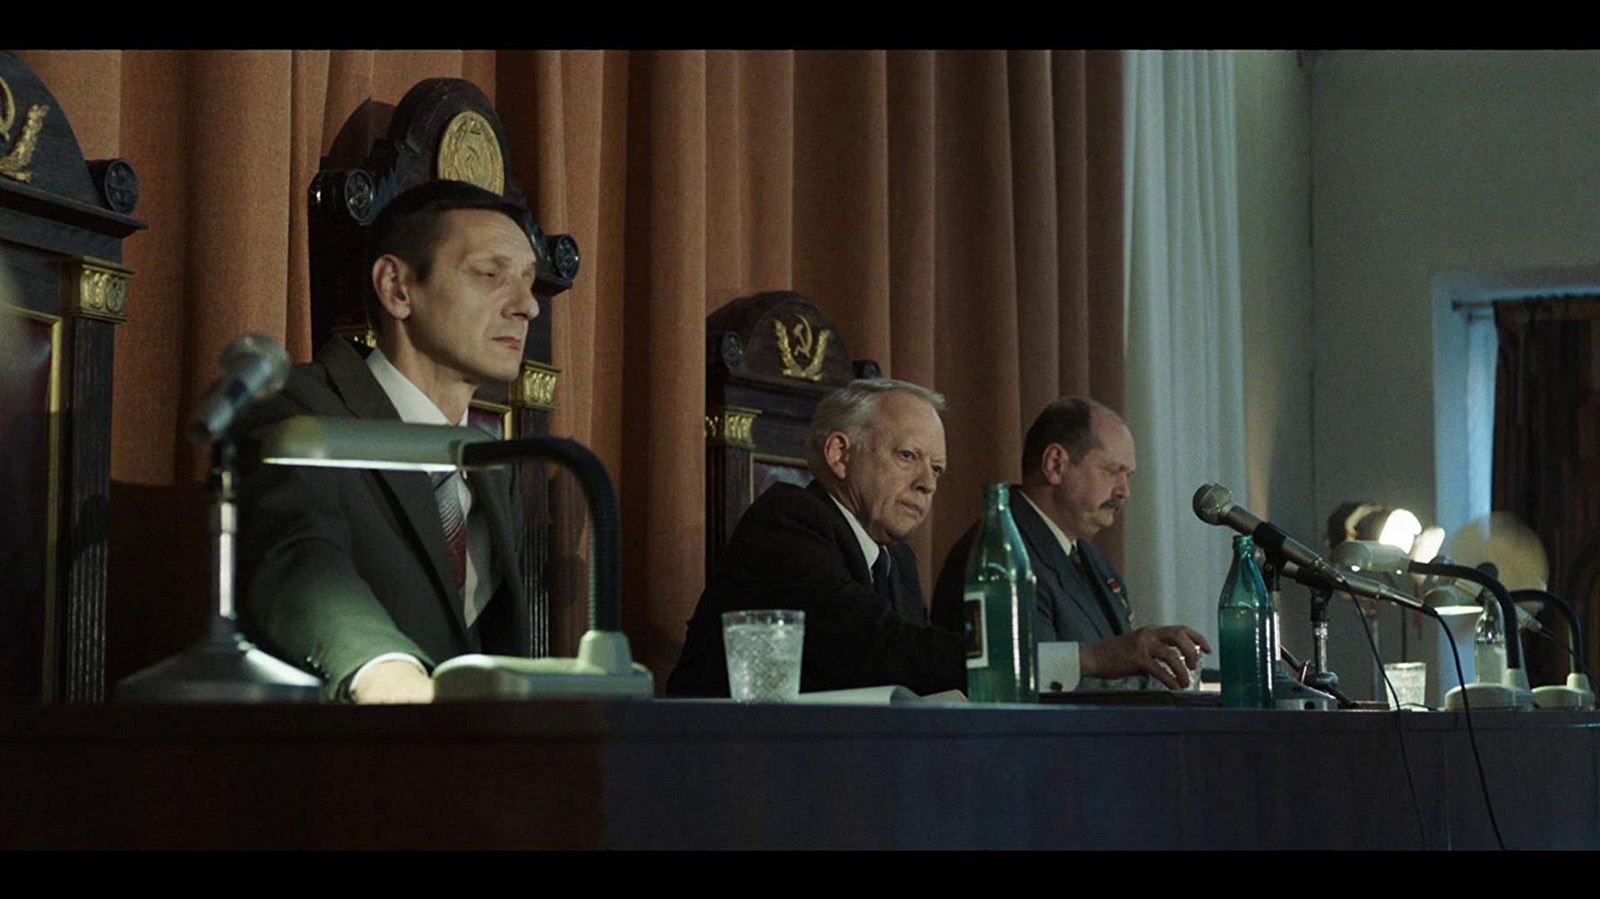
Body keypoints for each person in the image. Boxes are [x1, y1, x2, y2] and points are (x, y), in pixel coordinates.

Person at [236, 179, 541, 703]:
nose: (527, 306)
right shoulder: (300, 409)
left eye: (529, 282)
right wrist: (384, 671)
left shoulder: (492, 460)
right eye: (491, 274)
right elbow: (298, 557)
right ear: (397, 288)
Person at [667, 379, 966, 697]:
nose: (927, 483)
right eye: (907, 456)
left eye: (936, 469)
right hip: (731, 729)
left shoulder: (898, 559)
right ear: (840, 454)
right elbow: (871, 648)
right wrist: (997, 656)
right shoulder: (786, 523)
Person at [932, 397, 1211, 692]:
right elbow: (1025, 682)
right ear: (1056, 464)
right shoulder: (998, 555)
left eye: (1127, 476)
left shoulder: (1092, 559)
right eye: (1112, 471)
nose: (1124, 491)